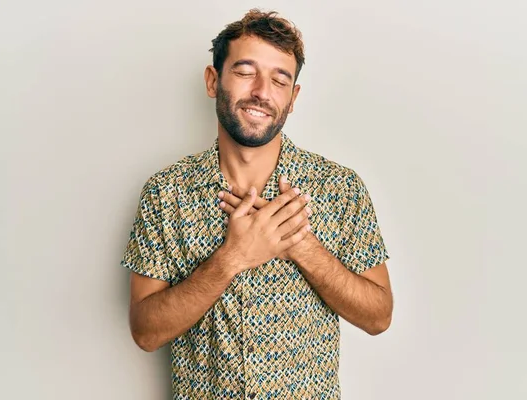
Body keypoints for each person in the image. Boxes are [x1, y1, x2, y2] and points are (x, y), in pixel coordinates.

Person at [120, 8, 393, 399]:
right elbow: (145, 332)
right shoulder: (166, 194)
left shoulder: (341, 188)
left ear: (293, 97)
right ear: (213, 80)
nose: (262, 92)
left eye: (280, 79)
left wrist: (301, 245)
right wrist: (234, 256)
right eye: (246, 72)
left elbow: (379, 316)